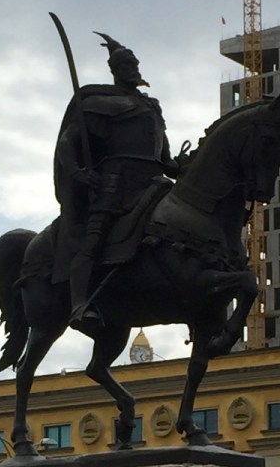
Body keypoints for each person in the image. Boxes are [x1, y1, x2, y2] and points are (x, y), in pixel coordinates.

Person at [54, 31, 185, 330]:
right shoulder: (99, 103)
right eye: (127, 64)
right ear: (115, 70)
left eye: (135, 63)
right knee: (95, 237)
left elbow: (164, 159)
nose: (134, 69)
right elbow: (68, 141)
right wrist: (77, 173)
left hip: (154, 181)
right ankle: (79, 304)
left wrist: (181, 166)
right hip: (116, 183)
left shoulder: (152, 107)